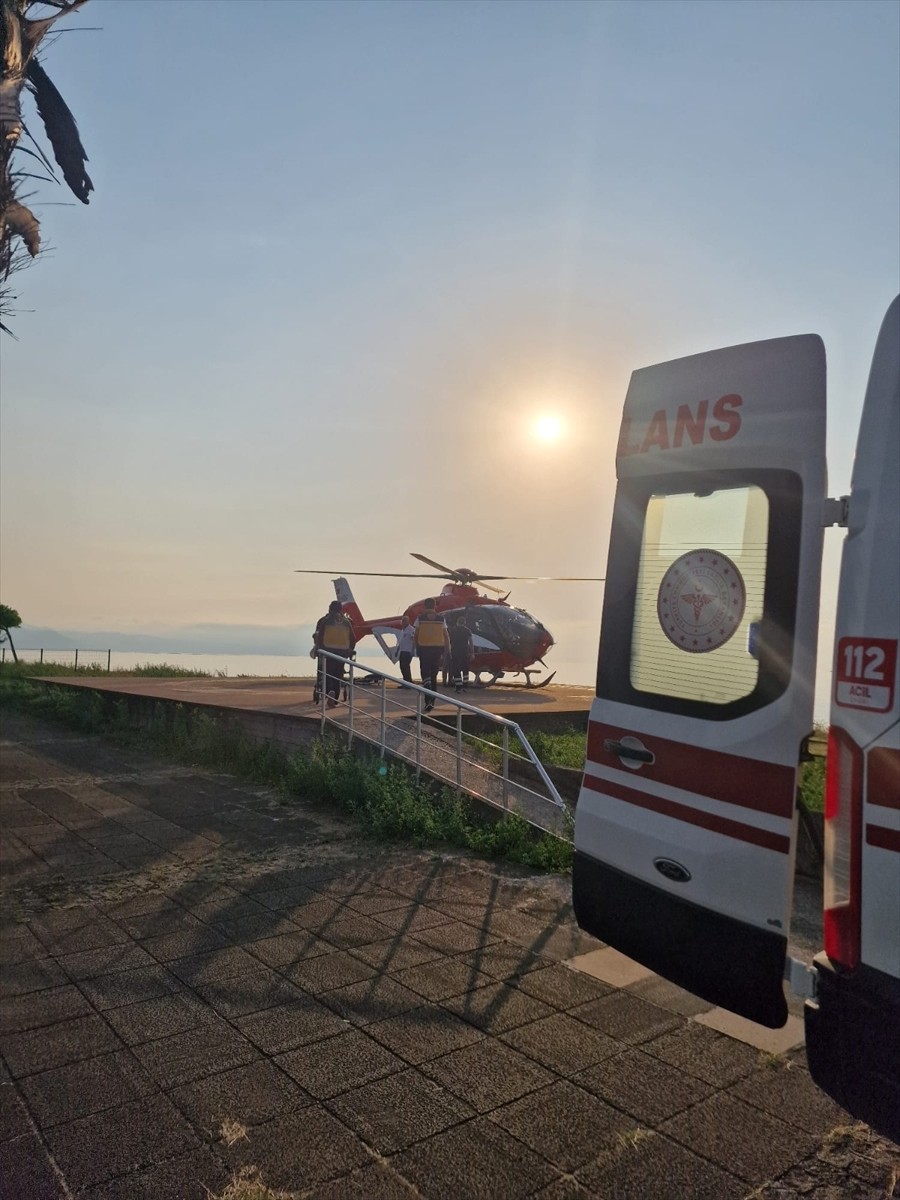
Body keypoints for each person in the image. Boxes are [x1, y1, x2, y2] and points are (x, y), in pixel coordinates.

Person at [311, 600, 356, 708]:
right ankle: (335, 699)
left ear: (330, 609)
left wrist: (320, 649)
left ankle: (329, 692)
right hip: (342, 653)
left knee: (328, 674)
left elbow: (320, 637)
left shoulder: (325, 621)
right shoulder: (346, 622)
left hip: (328, 653)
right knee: (338, 676)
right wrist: (349, 650)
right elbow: (353, 638)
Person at [414, 598, 450, 712]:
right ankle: (432, 701)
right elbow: (446, 635)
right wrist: (447, 650)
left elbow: (415, 635)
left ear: (425, 606)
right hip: (437, 650)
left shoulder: (420, 619)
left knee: (425, 675)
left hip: (424, 649)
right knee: (433, 675)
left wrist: (416, 648)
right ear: (435, 606)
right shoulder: (441, 619)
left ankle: (428, 700)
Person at [448, 614, 474, 692]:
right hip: (465, 652)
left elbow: (449, 642)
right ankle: (465, 686)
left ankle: (458, 687)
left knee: (456, 669)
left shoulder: (452, 630)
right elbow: (471, 642)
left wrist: (447, 651)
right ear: (464, 622)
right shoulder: (467, 631)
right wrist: (472, 653)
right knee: (465, 669)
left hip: (455, 652)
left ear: (457, 622)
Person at [394, 614, 416, 684]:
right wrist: (397, 651)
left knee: (405, 666)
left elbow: (414, 640)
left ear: (408, 621)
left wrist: (413, 650)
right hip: (402, 651)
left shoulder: (411, 629)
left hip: (408, 651)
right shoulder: (402, 630)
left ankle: (408, 682)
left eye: (405, 621)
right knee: (402, 667)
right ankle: (405, 681)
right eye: (403, 621)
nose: (403, 622)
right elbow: (400, 642)